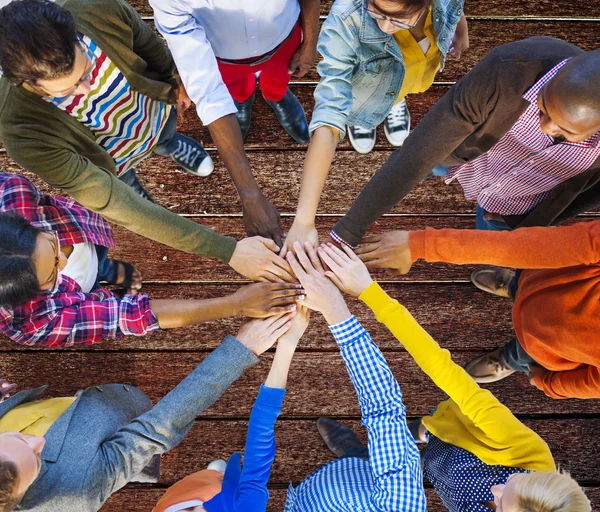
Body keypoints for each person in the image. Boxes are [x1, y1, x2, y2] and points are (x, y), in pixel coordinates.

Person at [0, 0, 294, 282]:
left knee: (165, 134)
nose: (88, 87)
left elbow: (146, 43)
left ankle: (170, 144)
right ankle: (134, 179)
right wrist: (226, 250)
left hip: (153, 114)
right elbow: (115, 201)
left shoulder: (94, 6)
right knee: (127, 188)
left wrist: (172, 78)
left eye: (87, 69)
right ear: (27, 85)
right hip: (113, 160)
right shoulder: (22, 132)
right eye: (69, 90)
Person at [313, 241, 591, 511]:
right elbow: (440, 365)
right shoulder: (524, 447)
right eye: (513, 480)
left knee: (388, 468)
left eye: (501, 504)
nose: (495, 490)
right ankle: (396, 443)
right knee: (413, 435)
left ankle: (361, 458)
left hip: (437, 473)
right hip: (442, 432)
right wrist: (369, 291)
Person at [0, 313, 295, 511]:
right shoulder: (75, 491)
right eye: (36, 460)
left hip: (66, 410)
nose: (39, 442)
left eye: (17, 440)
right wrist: (241, 350)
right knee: (135, 455)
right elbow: (155, 429)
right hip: (114, 428)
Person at [328, 37, 600, 248]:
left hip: (521, 204)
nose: (545, 126)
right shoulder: (508, 69)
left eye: (564, 130)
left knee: (494, 241)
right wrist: (349, 230)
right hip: (466, 156)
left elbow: (589, 194)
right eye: (542, 107)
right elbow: (417, 156)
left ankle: (501, 271)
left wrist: (538, 223)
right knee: (434, 162)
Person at [0, 173, 304, 347]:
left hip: (87, 233)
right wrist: (234, 303)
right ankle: (102, 277)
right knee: (92, 285)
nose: (63, 263)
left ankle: (109, 269)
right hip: (79, 290)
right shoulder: (30, 323)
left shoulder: (10, 192)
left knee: (104, 265)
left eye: (52, 244)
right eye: (52, 277)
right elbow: (125, 316)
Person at [281, 0, 468, 253]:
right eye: (376, 11)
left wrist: (460, 25)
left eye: (399, 19)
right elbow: (329, 113)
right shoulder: (346, 20)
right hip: (361, 93)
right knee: (358, 110)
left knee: (405, 87)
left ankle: (394, 102)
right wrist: (304, 220)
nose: (384, 25)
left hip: (416, 70)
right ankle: (363, 118)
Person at [354, 221, 600, 399]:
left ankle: (507, 360)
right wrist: (420, 245)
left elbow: (591, 383)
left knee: (520, 355)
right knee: (522, 275)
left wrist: (546, 383)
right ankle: (512, 285)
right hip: (537, 274)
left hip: (542, 348)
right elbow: (518, 247)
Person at [149, 0, 321, 246]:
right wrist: (250, 195)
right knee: (237, 91)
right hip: (222, 59)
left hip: (282, 41)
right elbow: (209, 90)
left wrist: (310, 42)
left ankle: (276, 96)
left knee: (279, 82)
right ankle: (243, 100)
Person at [282, 242, 426, 511]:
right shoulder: (399, 505)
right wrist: (335, 308)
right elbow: (383, 407)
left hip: (313, 497)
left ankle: (356, 453)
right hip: (366, 478)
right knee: (384, 441)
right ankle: (359, 452)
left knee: (376, 453)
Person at [152, 305, 310, 512]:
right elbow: (260, 437)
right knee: (216, 480)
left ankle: (212, 476)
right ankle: (217, 476)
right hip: (221, 497)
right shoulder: (245, 507)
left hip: (178, 499)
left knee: (185, 489)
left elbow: (261, 432)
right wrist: (288, 344)